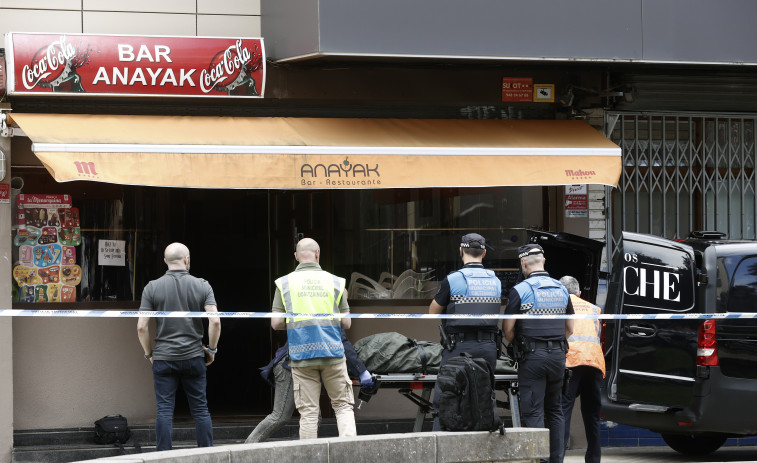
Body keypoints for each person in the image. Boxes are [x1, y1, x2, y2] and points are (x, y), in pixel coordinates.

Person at [137, 242, 221, 451]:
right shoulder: (203, 285)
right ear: (187, 260)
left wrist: (149, 354)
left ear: (165, 261)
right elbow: (216, 321)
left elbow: (141, 327)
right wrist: (211, 350)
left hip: (164, 358)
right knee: (200, 410)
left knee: (164, 410)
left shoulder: (152, 287)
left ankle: (163, 456)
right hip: (193, 356)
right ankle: (207, 454)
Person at [270, 238, 356, 440]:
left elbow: (275, 324)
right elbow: (347, 323)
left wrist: (295, 322)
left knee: (308, 413)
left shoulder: (284, 283)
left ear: (296, 256)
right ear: (317, 254)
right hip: (333, 353)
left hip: (302, 354)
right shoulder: (336, 282)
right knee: (343, 407)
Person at [503, 243, 573, 463]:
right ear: (544, 261)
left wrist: (521, 343)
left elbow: (508, 330)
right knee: (555, 410)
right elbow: (570, 329)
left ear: (524, 263)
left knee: (533, 411)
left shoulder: (520, 290)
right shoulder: (561, 288)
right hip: (558, 357)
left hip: (532, 357)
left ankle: (539, 460)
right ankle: (556, 460)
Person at [429, 233, 502, 430]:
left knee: (447, 398)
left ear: (460, 251)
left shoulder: (453, 279)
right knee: (482, 400)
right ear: (484, 253)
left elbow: (433, 312)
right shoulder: (495, 280)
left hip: (458, 347)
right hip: (488, 347)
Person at [245, 330, 372, 443]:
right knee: (280, 416)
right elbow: (342, 340)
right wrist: (360, 370)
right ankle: (247, 448)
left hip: (299, 364)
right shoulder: (322, 318)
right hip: (289, 366)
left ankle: (309, 452)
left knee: (313, 415)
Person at [559, 275, 605, 463]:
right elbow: (598, 335)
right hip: (594, 363)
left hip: (571, 362)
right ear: (579, 292)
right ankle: (594, 459)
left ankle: (558, 457)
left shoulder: (560, 307)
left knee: (563, 413)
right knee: (592, 415)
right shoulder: (595, 309)